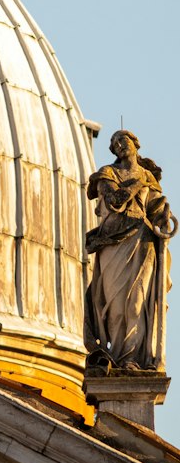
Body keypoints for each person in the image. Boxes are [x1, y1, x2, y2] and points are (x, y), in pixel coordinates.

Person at [85, 130, 176, 372]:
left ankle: (132, 358)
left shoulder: (148, 177)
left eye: (122, 140)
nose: (119, 145)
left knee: (137, 303)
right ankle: (115, 355)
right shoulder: (107, 174)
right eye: (114, 143)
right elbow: (115, 200)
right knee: (115, 307)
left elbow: (156, 207)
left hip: (143, 242)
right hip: (113, 242)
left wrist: (163, 218)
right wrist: (139, 182)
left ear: (135, 143)